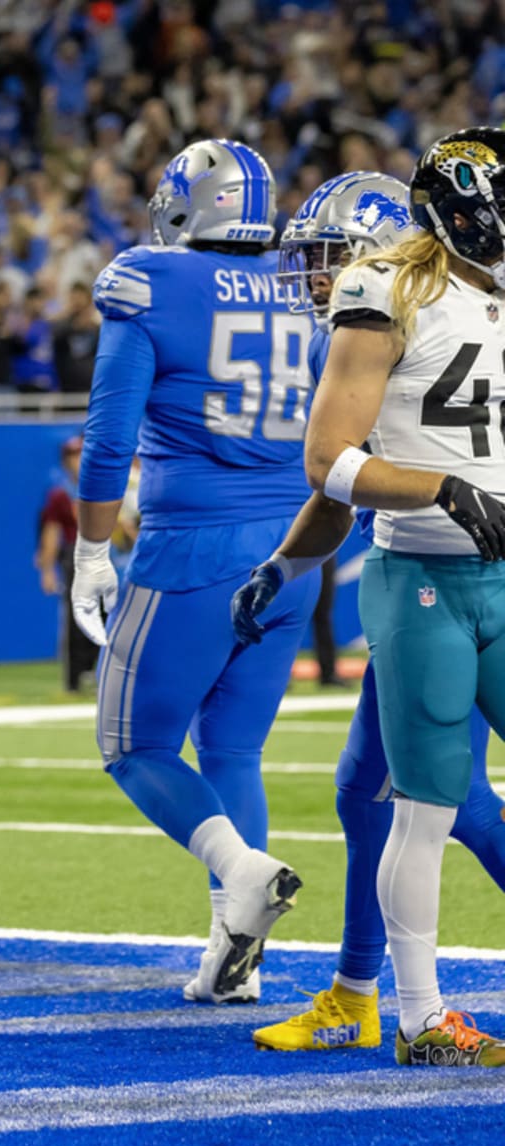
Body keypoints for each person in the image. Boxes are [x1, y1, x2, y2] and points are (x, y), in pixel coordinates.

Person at [239, 130, 505, 1066]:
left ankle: (373, 996)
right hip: (426, 573)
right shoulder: (386, 302)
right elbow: (335, 472)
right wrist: (286, 564)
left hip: (490, 574)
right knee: (396, 796)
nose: (317, 279)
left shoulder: (467, 296)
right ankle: (392, 1005)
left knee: (415, 795)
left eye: (328, 260)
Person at [72, 139, 320, 1005]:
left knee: (130, 743)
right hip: (295, 549)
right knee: (233, 748)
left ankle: (238, 873)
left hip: (194, 548)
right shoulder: (301, 283)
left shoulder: (150, 278)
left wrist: (91, 548)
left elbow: (108, 438)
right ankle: (233, 957)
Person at [35, 434, 98, 693]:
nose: (78, 461)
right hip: (75, 556)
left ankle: (100, 670)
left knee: (109, 616)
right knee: (76, 617)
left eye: (82, 454)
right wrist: (47, 569)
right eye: (72, 456)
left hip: (109, 556)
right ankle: (75, 677)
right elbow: (51, 531)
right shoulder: (61, 495)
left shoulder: (109, 488)